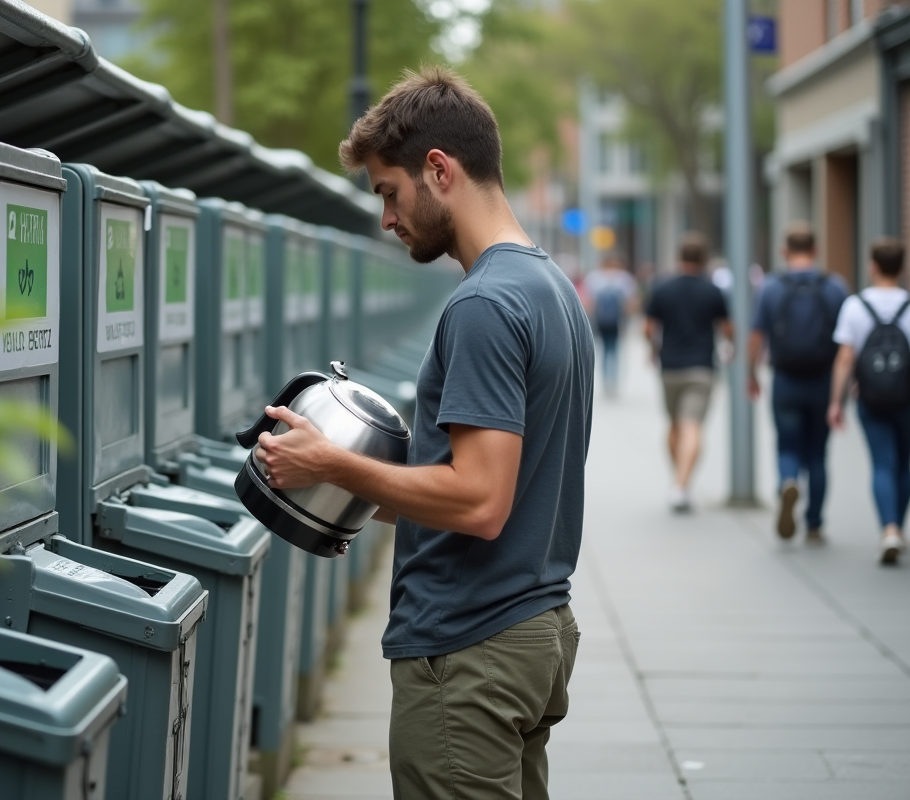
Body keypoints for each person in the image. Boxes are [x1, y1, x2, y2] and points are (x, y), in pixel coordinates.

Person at [253, 66, 594, 799]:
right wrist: (331, 467)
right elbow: (499, 484)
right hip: (530, 627)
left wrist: (337, 468)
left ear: (438, 170)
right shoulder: (551, 290)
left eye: (388, 193)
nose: (386, 218)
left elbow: (479, 501)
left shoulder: (483, 306)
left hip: (470, 649)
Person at [748, 223, 847, 544]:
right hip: (822, 380)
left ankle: (788, 480)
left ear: (784, 251)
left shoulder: (771, 287)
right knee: (818, 453)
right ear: (815, 251)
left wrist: (752, 372)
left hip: (786, 379)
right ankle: (815, 524)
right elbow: (848, 342)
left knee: (787, 445)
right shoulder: (835, 287)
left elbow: (756, 335)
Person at [829, 238, 910, 565]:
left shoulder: (854, 306)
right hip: (907, 399)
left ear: (872, 266)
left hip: (871, 398)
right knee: (905, 464)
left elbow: (845, 359)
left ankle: (888, 527)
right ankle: (896, 527)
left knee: (882, 462)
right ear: (901, 268)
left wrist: (835, 401)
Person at [644, 232, 733, 512]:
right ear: (704, 259)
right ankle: (681, 486)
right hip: (701, 368)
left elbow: (647, 328)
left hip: (670, 367)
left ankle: (678, 482)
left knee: (674, 425)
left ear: (678, 257)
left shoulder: (662, 287)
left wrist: (654, 349)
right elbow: (728, 329)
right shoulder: (712, 290)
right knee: (692, 425)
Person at [583, 252, 638, 395]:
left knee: (604, 349)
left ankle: (606, 379)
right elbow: (630, 302)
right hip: (617, 321)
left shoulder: (594, 277)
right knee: (614, 349)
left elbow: (589, 302)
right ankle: (613, 380)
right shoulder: (624, 278)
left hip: (601, 320)